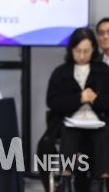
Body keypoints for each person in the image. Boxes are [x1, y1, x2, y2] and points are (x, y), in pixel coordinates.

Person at [45, 27, 109, 192]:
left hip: (98, 121)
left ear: (93, 50)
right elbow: (52, 101)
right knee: (68, 132)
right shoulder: (60, 72)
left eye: (86, 51)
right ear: (71, 50)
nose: (81, 56)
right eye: (78, 51)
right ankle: (65, 180)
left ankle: (104, 182)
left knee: (103, 134)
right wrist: (79, 99)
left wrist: (96, 99)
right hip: (70, 121)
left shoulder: (104, 71)